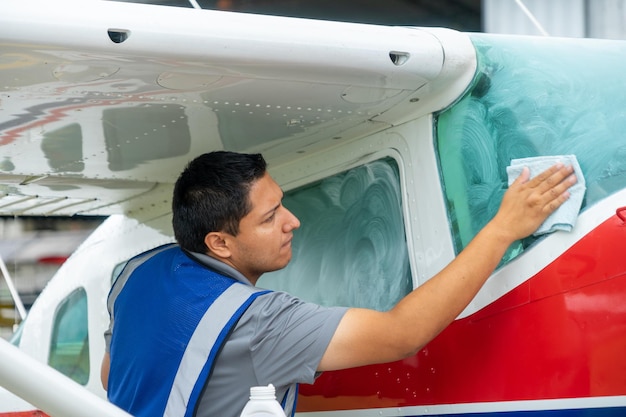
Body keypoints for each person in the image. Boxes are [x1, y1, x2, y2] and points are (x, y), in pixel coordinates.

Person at [101, 150, 576, 417]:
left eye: (282, 203)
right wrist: (502, 228)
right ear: (220, 244)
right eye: (270, 218)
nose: (294, 222)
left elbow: (111, 375)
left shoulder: (135, 275)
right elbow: (401, 334)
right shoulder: (259, 323)